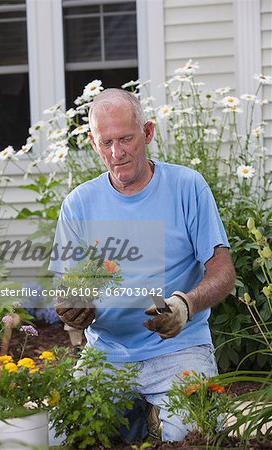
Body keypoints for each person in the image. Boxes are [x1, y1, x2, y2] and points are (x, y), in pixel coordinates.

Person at [49, 88, 236, 442]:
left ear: (147, 133)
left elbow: (223, 271)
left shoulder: (187, 186)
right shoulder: (78, 204)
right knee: (62, 437)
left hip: (178, 350)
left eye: (126, 139)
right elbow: (66, 285)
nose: (116, 154)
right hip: (106, 354)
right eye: (106, 143)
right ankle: (140, 416)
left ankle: (152, 417)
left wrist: (185, 305)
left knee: (189, 434)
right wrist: (71, 307)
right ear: (92, 143)